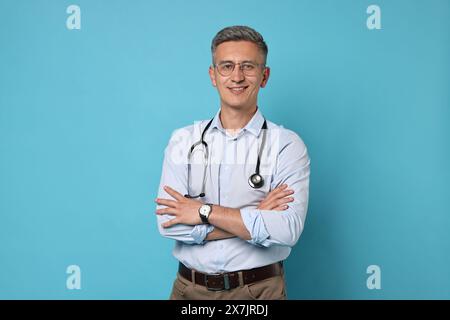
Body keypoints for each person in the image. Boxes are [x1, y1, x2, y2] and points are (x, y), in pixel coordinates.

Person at [155, 25, 310, 300]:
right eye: (226, 66)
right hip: (188, 291)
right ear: (213, 76)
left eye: (248, 66)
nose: (237, 77)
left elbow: (286, 230)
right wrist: (254, 215)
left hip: (258, 292)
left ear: (264, 76)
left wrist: (202, 211)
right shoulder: (184, 141)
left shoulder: (287, 144)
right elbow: (170, 223)